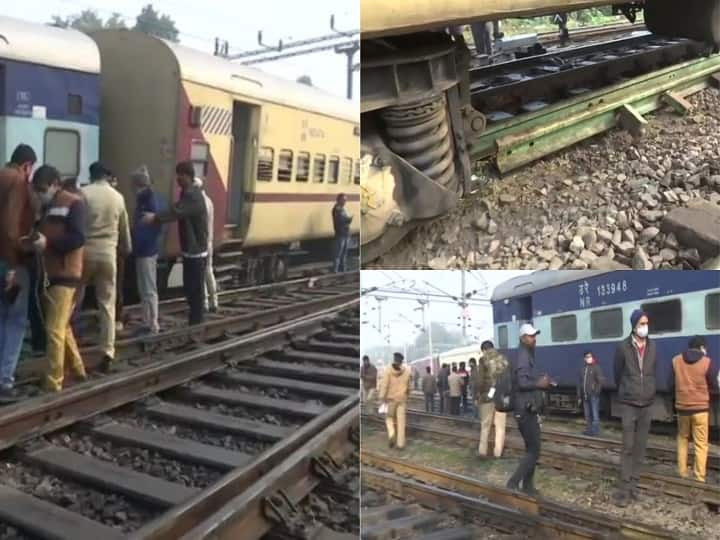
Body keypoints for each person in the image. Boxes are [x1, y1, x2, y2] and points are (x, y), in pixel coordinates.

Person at [27, 166, 87, 391]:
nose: (40, 193)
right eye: (36, 190)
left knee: (53, 329)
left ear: (54, 184)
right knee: (62, 327)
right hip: (50, 273)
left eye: (42, 189)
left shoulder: (74, 204)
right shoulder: (47, 206)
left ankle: (54, 382)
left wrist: (48, 244)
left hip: (66, 274)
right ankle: (79, 370)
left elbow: (78, 238)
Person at [143, 161, 207, 326]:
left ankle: (196, 323)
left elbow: (177, 211)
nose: (177, 178)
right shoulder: (187, 193)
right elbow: (177, 208)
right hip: (190, 250)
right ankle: (194, 321)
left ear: (187, 176)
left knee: (194, 290)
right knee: (190, 288)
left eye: (180, 175)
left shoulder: (193, 195)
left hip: (196, 251)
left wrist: (155, 218)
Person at [81, 162, 131, 372]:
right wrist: (126, 248)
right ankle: (107, 351)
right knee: (107, 304)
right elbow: (124, 229)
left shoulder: (84, 194)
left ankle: (68, 341)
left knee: (74, 297)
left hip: (85, 253)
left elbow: (78, 224)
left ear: (91, 176)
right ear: (106, 176)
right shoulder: (118, 197)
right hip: (108, 255)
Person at [0, 144, 37, 399]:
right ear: (26, 166)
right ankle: (4, 381)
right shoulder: (19, 182)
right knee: (15, 321)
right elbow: (11, 227)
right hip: (9, 261)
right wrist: (14, 264)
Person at [612, 310, 657, 507]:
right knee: (628, 446)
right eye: (641, 323)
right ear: (633, 325)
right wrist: (626, 390)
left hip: (647, 403)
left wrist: (650, 389)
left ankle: (634, 486)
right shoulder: (623, 347)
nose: (645, 327)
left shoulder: (653, 346)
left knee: (640, 447)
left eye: (646, 323)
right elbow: (617, 373)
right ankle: (624, 489)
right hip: (629, 404)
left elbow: (653, 371)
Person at [506, 323, 551, 496]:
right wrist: (539, 383)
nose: (534, 339)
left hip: (527, 408)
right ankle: (513, 483)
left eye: (535, 336)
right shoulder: (523, 356)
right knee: (534, 449)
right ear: (523, 338)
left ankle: (528, 486)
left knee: (532, 448)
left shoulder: (525, 354)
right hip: (524, 409)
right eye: (531, 336)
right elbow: (523, 383)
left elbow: (527, 380)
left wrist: (542, 382)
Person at [669, 336, 718, 483]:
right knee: (701, 443)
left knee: (683, 438)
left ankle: (682, 472)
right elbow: (714, 386)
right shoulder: (707, 362)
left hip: (682, 408)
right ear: (702, 347)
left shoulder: (676, 361)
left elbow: (669, 384)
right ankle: (699, 476)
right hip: (701, 409)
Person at [131, 165, 162, 335]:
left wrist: (139, 243)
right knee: (145, 288)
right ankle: (147, 321)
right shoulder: (146, 200)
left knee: (148, 288)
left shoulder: (147, 201)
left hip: (146, 250)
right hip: (144, 249)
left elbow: (150, 227)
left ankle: (152, 324)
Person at [475, 340, 509, 458]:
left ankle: (482, 451)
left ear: (484, 350)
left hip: (487, 396)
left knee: (485, 425)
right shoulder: (504, 359)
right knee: (500, 427)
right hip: (502, 396)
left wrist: (479, 394)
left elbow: (479, 381)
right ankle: (498, 453)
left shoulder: (483, 360)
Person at [194, 178, 218, 313]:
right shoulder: (209, 201)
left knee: (201, 273)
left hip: (201, 242)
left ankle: (204, 303)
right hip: (209, 241)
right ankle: (214, 301)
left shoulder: (200, 202)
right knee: (209, 271)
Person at [378, 352, 411, 449]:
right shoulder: (407, 371)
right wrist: (407, 395)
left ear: (394, 360)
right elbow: (410, 387)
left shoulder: (388, 370)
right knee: (401, 422)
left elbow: (384, 385)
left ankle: (392, 435)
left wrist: (381, 398)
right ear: (401, 361)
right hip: (402, 400)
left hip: (391, 400)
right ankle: (400, 444)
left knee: (389, 418)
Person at [577, 350, 604, 437]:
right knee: (587, 415)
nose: (589, 358)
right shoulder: (583, 369)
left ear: (592, 357)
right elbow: (580, 383)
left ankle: (596, 431)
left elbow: (600, 381)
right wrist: (579, 396)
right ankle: (589, 430)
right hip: (585, 395)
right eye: (587, 357)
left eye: (590, 356)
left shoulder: (596, 367)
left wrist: (596, 392)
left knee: (595, 414)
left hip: (593, 395)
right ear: (584, 359)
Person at [331, 193, 352, 272]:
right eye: (343, 200)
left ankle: (342, 269)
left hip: (345, 234)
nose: (345, 202)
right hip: (340, 234)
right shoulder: (337, 209)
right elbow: (340, 220)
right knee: (338, 254)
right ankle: (335, 270)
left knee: (343, 254)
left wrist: (347, 220)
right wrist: (348, 220)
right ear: (338, 200)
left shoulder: (342, 209)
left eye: (345, 200)